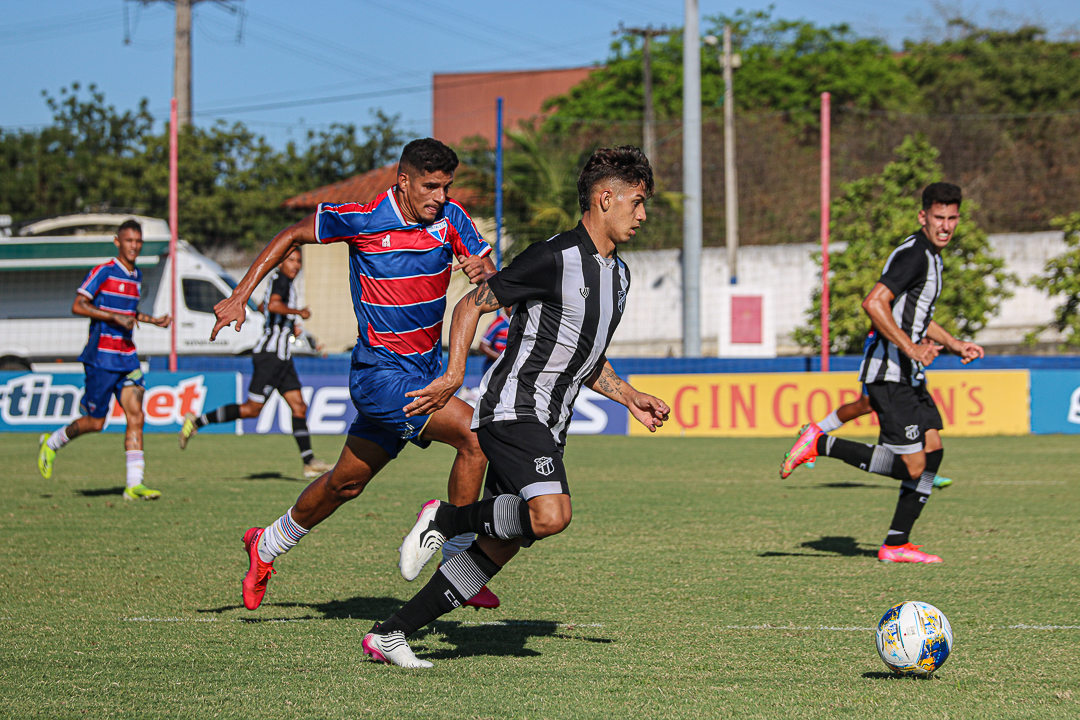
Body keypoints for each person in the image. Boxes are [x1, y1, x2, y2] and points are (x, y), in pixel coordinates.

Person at [360, 145, 671, 669]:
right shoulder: (552, 256)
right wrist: (454, 373)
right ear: (605, 198)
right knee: (551, 516)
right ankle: (444, 516)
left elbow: (584, 357)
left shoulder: (618, 276)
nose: (641, 216)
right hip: (514, 410)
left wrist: (629, 396)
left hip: (552, 422)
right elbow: (469, 304)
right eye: (636, 203)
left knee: (496, 548)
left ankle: (391, 634)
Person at [210, 138, 501, 612]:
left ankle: (264, 545)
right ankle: (459, 569)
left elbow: (491, 278)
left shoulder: (455, 220)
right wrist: (241, 294)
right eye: (430, 187)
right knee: (476, 438)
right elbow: (291, 234)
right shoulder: (362, 218)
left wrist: (482, 272)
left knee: (345, 483)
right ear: (403, 181)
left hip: (423, 370)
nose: (440, 197)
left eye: (446, 187)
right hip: (380, 376)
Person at [781, 183, 983, 564]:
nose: (945, 226)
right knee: (913, 465)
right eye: (938, 218)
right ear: (924, 217)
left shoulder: (933, 257)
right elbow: (873, 302)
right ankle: (821, 444)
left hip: (909, 374)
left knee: (933, 450)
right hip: (891, 372)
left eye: (952, 218)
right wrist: (912, 349)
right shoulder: (915, 255)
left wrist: (955, 344)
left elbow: (917, 317)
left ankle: (897, 542)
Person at [37, 219, 172, 500]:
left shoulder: (136, 276)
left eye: (138, 241)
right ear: (117, 242)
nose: (134, 246)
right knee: (96, 422)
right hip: (101, 357)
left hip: (127, 357)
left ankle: (134, 485)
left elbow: (129, 315)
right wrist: (111, 316)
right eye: (129, 240)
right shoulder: (103, 271)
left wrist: (153, 321)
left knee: (136, 415)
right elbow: (78, 305)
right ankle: (53, 442)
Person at [178, 248, 332, 479]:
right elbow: (272, 306)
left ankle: (309, 462)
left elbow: (263, 306)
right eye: (291, 260)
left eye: (299, 261)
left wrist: (287, 324)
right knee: (252, 409)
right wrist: (296, 312)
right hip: (270, 356)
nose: (296, 265)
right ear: (281, 263)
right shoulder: (280, 281)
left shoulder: (281, 283)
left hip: (283, 358)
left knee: (299, 406)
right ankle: (198, 420)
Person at [801, 331, 951, 488]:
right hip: (885, 352)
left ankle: (924, 471)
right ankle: (814, 435)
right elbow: (880, 310)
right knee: (867, 404)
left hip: (907, 350)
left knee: (913, 397)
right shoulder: (884, 309)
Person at [477, 308, 510, 375]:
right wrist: (501, 358)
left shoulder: (521, 323)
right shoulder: (499, 323)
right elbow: (483, 345)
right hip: (495, 367)